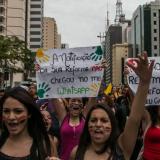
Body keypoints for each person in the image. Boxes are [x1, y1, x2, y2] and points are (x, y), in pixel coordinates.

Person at [70, 52, 154, 160]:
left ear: (112, 125)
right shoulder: (76, 153)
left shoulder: (122, 148)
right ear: (86, 124)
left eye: (104, 120)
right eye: (93, 120)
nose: (98, 124)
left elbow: (134, 119)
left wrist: (144, 82)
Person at [0, 87, 58, 160]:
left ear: (29, 113)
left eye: (18, 111)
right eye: (6, 111)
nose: (11, 117)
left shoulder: (45, 143)